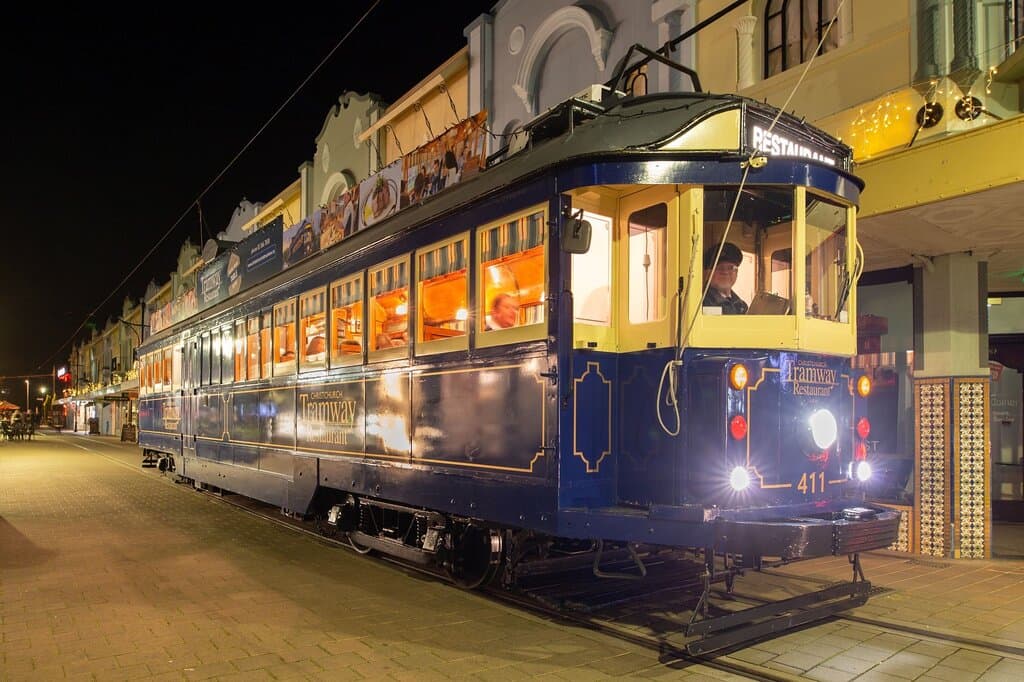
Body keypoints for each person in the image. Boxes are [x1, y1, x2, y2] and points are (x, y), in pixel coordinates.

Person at [702, 242, 748, 315]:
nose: (725, 272)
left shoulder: (741, 306)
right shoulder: (700, 303)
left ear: (736, 272)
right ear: (709, 272)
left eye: (730, 268)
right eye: (720, 268)